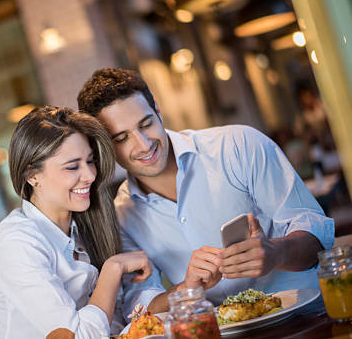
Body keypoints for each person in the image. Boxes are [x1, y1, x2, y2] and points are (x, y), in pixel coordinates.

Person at [77, 68, 334, 317]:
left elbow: (318, 235)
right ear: (103, 147)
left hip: (305, 317)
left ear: (157, 108)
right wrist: (187, 288)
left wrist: (278, 252)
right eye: (121, 139)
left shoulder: (238, 146)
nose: (143, 145)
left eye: (146, 124)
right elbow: (140, 306)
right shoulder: (123, 216)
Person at [0, 106, 152, 339]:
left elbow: (108, 325)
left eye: (90, 161)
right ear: (31, 175)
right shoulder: (17, 243)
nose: (90, 176)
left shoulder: (82, 226)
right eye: (73, 166)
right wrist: (113, 268)